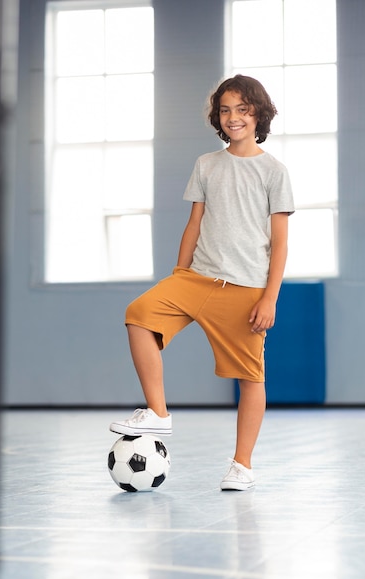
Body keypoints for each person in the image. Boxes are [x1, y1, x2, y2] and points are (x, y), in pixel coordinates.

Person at [110, 74, 294, 490]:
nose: (233, 118)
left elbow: (280, 244)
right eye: (226, 110)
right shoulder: (206, 164)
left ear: (258, 114)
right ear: (218, 116)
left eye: (243, 110)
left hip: (246, 289)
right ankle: (158, 413)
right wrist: (180, 275)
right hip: (196, 278)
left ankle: (241, 465)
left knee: (251, 378)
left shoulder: (274, 171)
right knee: (138, 313)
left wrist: (270, 299)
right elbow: (193, 225)